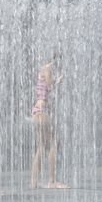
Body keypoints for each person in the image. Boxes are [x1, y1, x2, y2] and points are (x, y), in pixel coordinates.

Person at [30, 53, 69, 189]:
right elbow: (49, 83)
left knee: (41, 146)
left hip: (37, 111)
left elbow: (48, 87)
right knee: (52, 144)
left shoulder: (44, 70)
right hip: (42, 112)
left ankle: (34, 182)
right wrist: (59, 78)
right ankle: (51, 181)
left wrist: (58, 80)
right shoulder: (46, 68)